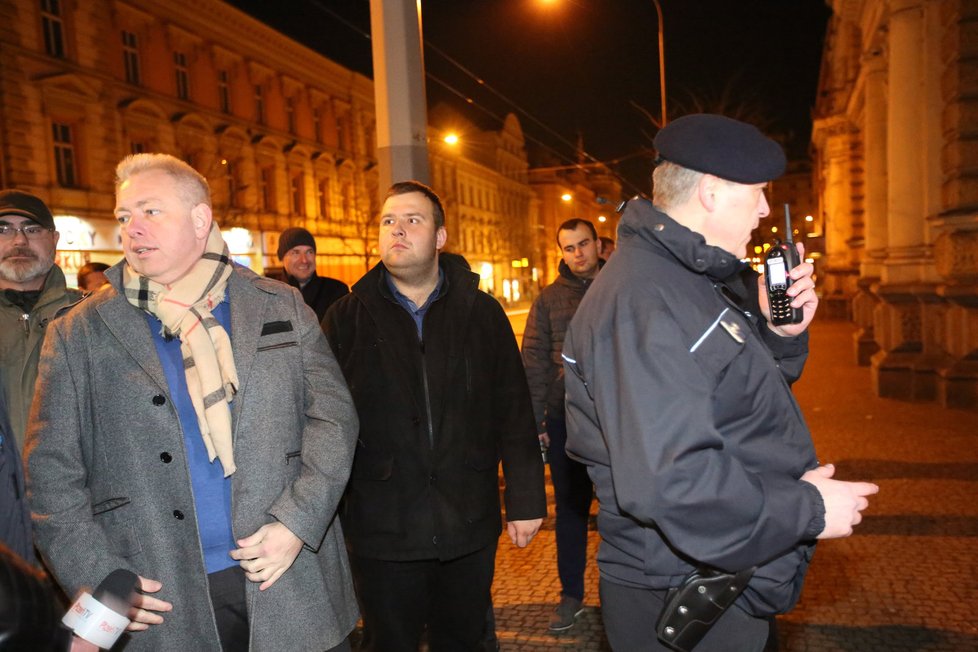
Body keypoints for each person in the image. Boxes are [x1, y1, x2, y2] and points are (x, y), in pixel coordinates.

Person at [562, 114, 879, 651]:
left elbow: (732, 404)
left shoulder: (687, 280)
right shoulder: (644, 298)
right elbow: (671, 482)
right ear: (710, 192)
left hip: (720, 572)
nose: (762, 208)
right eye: (755, 193)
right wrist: (809, 509)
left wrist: (779, 334)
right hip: (679, 590)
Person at [26, 153, 360, 651]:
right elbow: (51, 475)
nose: (132, 228)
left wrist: (298, 521)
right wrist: (102, 577)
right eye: (123, 216)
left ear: (200, 219)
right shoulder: (79, 332)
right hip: (156, 594)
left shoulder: (277, 304)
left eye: (150, 211)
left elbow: (334, 419)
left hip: (286, 576)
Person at [322, 180, 546, 652]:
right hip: (383, 526)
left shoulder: (481, 313)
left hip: (468, 516)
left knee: (465, 640)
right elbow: (323, 419)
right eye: (388, 221)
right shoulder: (347, 317)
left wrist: (525, 499)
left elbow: (513, 408)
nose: (397, 230)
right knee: (390, 642)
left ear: (440, 238)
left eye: (412, 220)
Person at [521, 218, 602, 631]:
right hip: (565, 418)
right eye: (569, 247)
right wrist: (537, 421)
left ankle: (624, 591)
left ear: (598, 243)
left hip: (618, 421)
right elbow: (533, 360)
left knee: (625, 511)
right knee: (570, 510)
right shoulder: (549, 299)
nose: (578, 253)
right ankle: (571, 595)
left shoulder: (620, 286)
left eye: (583, 244)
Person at [0, 189, 81, 452]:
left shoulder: (91, 315)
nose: (19, 241)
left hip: (74, 488)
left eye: (32, 229)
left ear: (54, 239)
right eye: (3, 230)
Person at [277, 226, 349, 322]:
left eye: (309, 252)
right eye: (296, 253)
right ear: (282, 257)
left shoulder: (336, 291)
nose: (304, 260)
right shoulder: (270, 294)